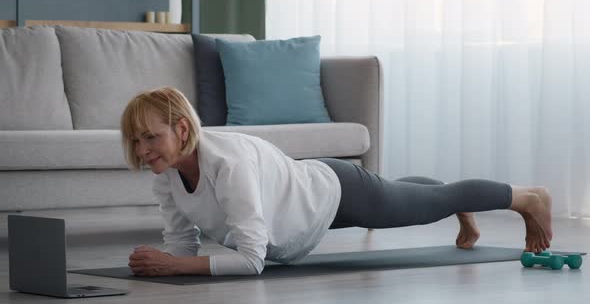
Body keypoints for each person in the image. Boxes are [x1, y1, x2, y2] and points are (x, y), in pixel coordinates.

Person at [120, 87, 552, 277]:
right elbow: (182, 247)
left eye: (151, 137)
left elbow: (252, 261)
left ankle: (528, 198)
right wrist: (165, 261)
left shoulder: (228, 164)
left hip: (337, 191)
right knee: (418, 198)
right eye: (136, 141)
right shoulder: (168, 173)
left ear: (181, 130)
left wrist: (175, 266)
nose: (143, 151)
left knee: (420, 205)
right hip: (302, 212)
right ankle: (449, 199)